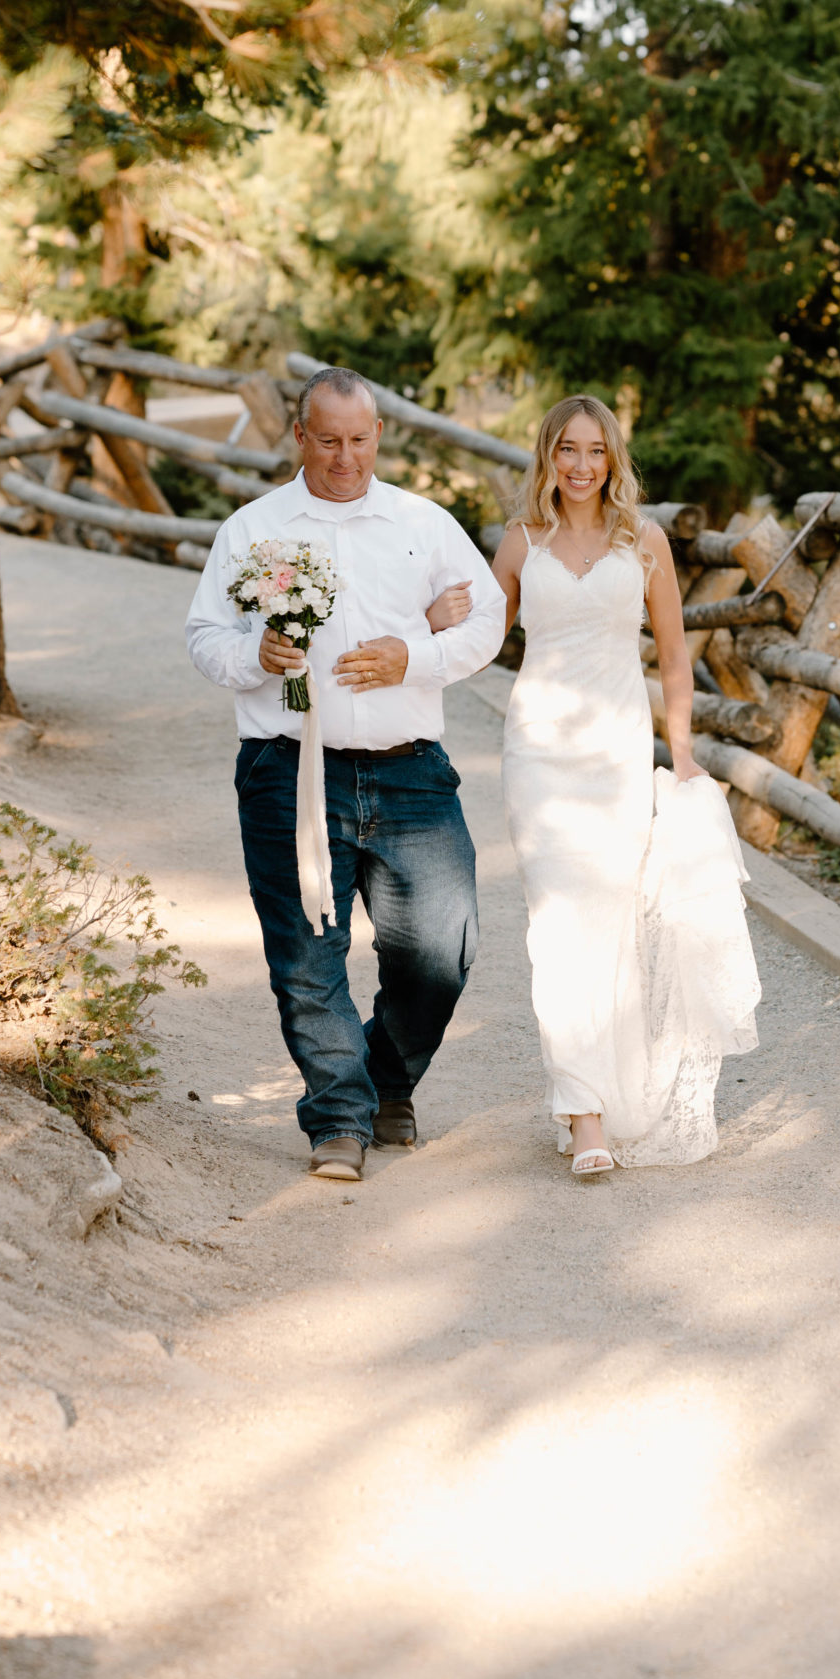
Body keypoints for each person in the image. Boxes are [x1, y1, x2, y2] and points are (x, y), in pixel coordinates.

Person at [185, 368, 506, 1182]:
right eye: (327, 440)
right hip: (285, 766)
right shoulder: (253, 529)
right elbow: (204, 636)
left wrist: (416, 655)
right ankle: (338, 1118)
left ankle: (384, 1081)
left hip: (409, 771)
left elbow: (489, 620)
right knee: (305, 952)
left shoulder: (420, 523)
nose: (344, 457)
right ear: (300, 436)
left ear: (377, 438)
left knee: (444, 944)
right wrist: (253, 656)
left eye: (358, 440)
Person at [485, 396, 761, 1175]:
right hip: (537, 754)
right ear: (547, 456)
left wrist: (682, 754)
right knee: (554, 929)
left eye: (594, 451)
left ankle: (607, 1095)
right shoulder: (517, 543)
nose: (579, 465)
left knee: (608, 925)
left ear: (612, 460)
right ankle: (583, 1117)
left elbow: (675, 657)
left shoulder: (643, 543)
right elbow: (479, 640)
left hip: (613, 752)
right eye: (566, 450)